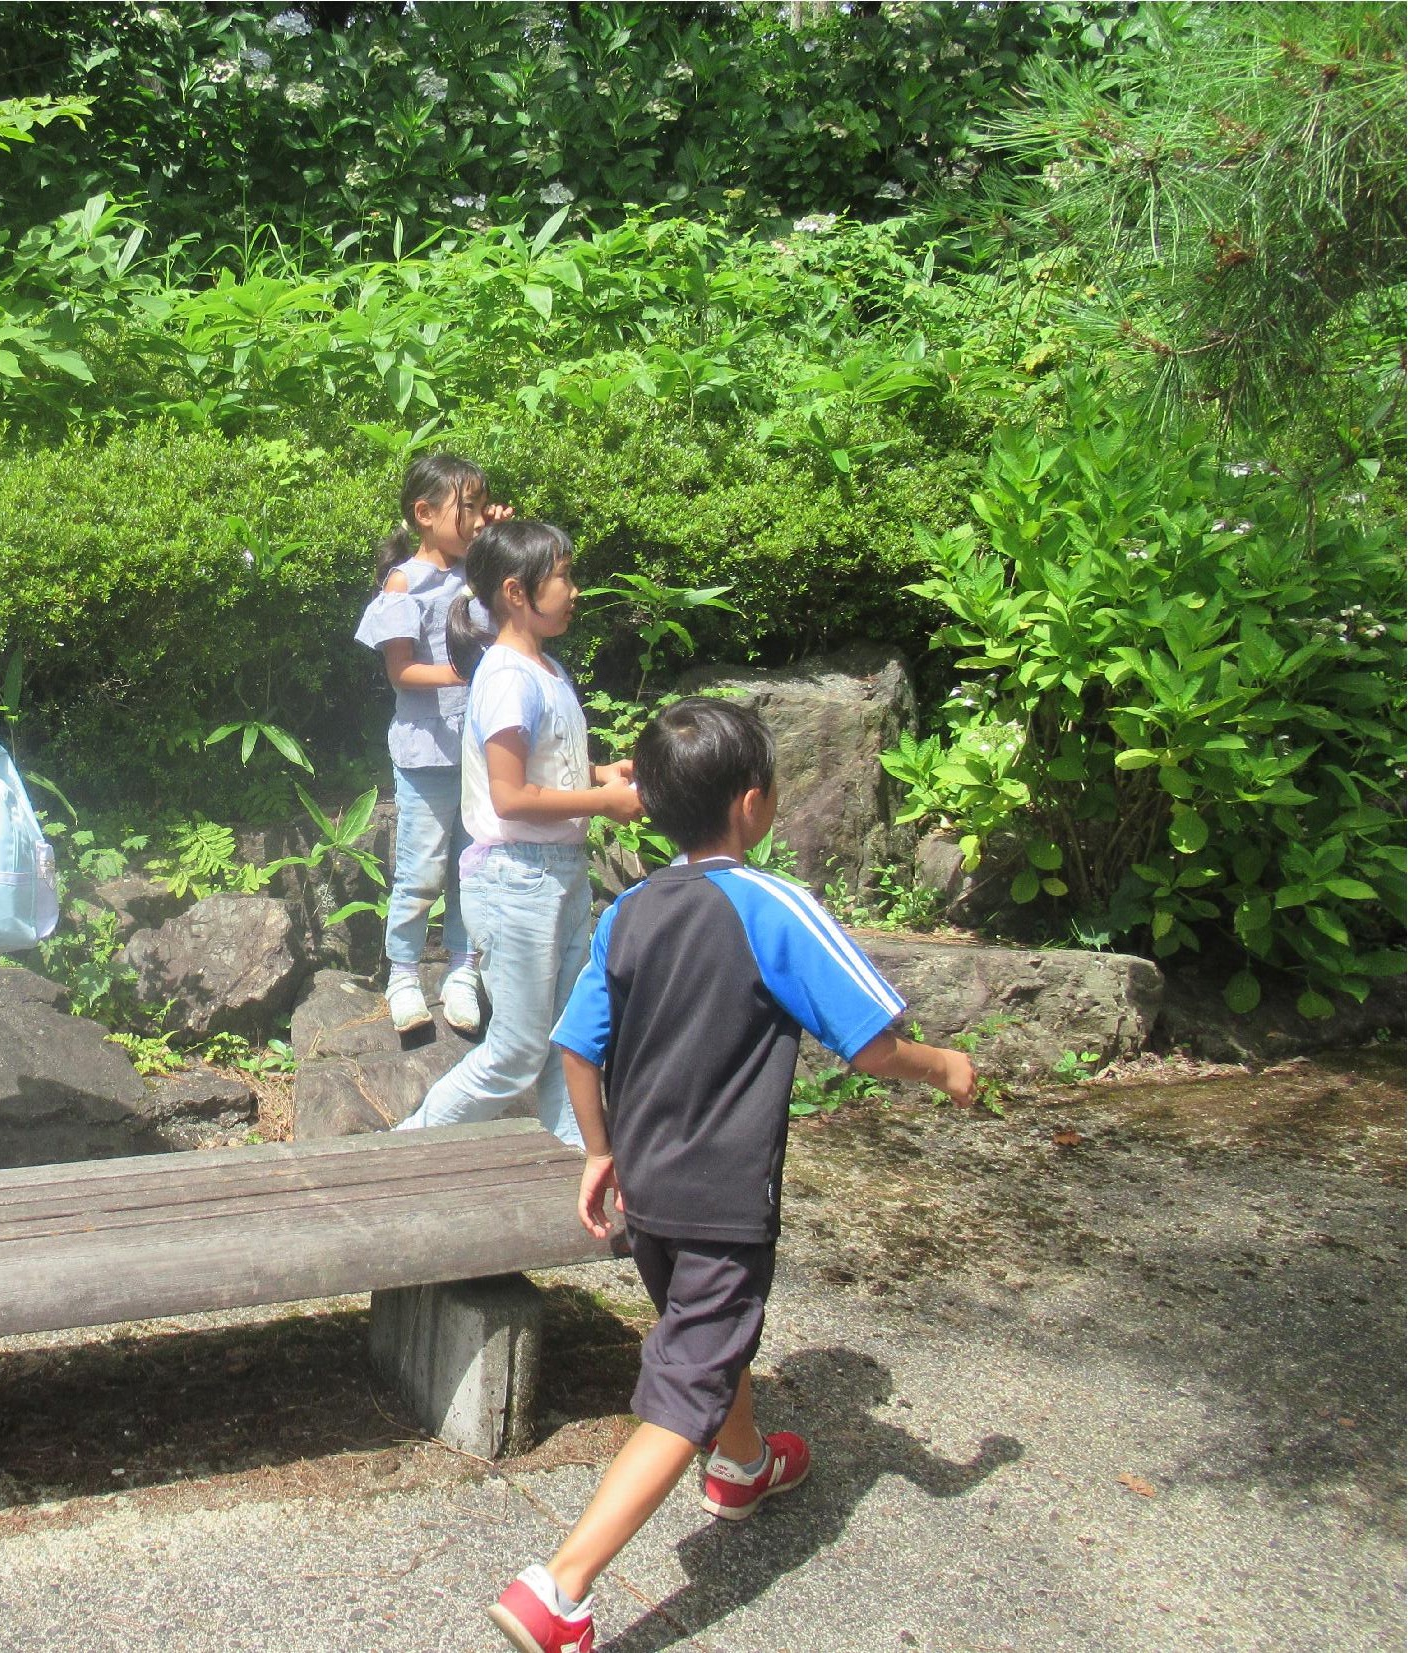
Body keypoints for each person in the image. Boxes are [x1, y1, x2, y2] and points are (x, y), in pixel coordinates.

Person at [485, 696, 979, 1653]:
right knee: (684, 1385)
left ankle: (742, 1465)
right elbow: (870, 1044)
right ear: (752, 801)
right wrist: (944, 1066)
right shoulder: (771, 904)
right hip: (721, 1195)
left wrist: (599, 1149)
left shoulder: (629, 911)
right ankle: (559, 1588)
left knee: (702, 1335)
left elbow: (577, 1047)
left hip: (647, 1187)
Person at [391, 520, 640, 1149]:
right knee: (517, 1051)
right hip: (515, 878)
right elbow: (511, 797)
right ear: (516, 592)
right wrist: (603, 802)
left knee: (563, 1040)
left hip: (557, 872)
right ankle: (405, 1147)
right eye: (563, 576)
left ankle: (577, 1160)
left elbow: (538, 767)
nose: (575, 590)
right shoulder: (506, 677)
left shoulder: (545, 668)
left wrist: (599, 774)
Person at [352, 452, 509, 1035]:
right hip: (426, 755)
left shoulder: (482, 575)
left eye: (482, 507)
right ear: (425, 514)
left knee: (474, 868)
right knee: (420, 872)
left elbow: (521, 604)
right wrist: (467, 674)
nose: (478, 519)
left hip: (483, 754)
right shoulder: (405, 583)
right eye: (468, 508)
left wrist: (500, 541)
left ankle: (463, 973)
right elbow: (402, 672)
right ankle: (403, 975)